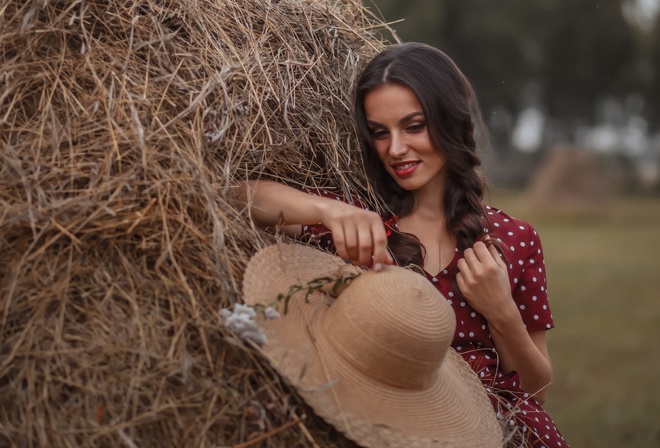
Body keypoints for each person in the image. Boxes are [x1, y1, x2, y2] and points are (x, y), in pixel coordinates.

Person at [237, 42, 568, 447]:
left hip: (502, 434)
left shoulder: (514, 238)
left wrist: (501, 312)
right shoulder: (364, 222)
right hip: (387, 427)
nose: (395, 149)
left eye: (413, 126)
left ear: (450, 120)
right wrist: (326, 211)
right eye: (380, 132)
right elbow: (241, 196)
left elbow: (537, 390)